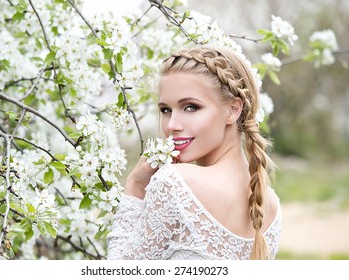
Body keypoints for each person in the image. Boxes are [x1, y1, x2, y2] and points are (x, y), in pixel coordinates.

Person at [107, 46, 282, 260]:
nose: (172, 124)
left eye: (190, 107)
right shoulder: (271, 205)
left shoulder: (173, 183)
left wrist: (135, 185)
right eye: (165, 110)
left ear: (233, 109)